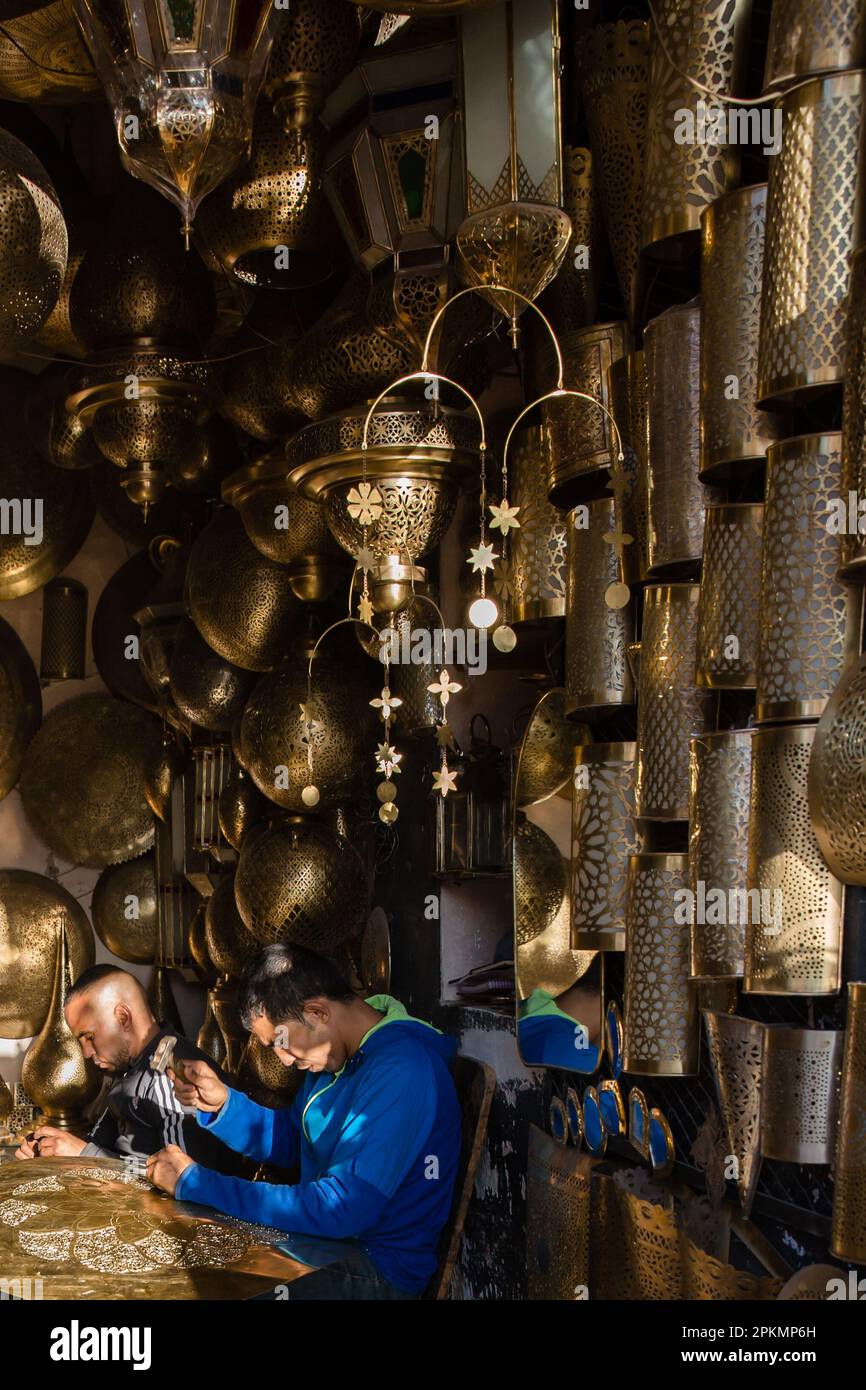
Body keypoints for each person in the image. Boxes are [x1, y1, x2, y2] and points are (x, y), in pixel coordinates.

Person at [146, 943, 462, 1300]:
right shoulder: (334, 1056)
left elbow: (340, 1209)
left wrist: (197, 1182)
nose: (282, 1060)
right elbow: (296, 1141)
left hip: (376, 1268)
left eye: (280, 1041)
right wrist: (224, 1104)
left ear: (317, 1012)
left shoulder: (402, 1070)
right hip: (325, 1245)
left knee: (209, 1290)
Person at [15, 964, 238, 1174]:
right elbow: (98, 1145)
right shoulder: (130, 1070)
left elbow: (184, 1180)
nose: (86, 1053)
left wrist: (85, 1156)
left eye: (90, 1037)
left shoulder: (172, 1076)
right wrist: (52, 1150)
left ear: (123, 1018)